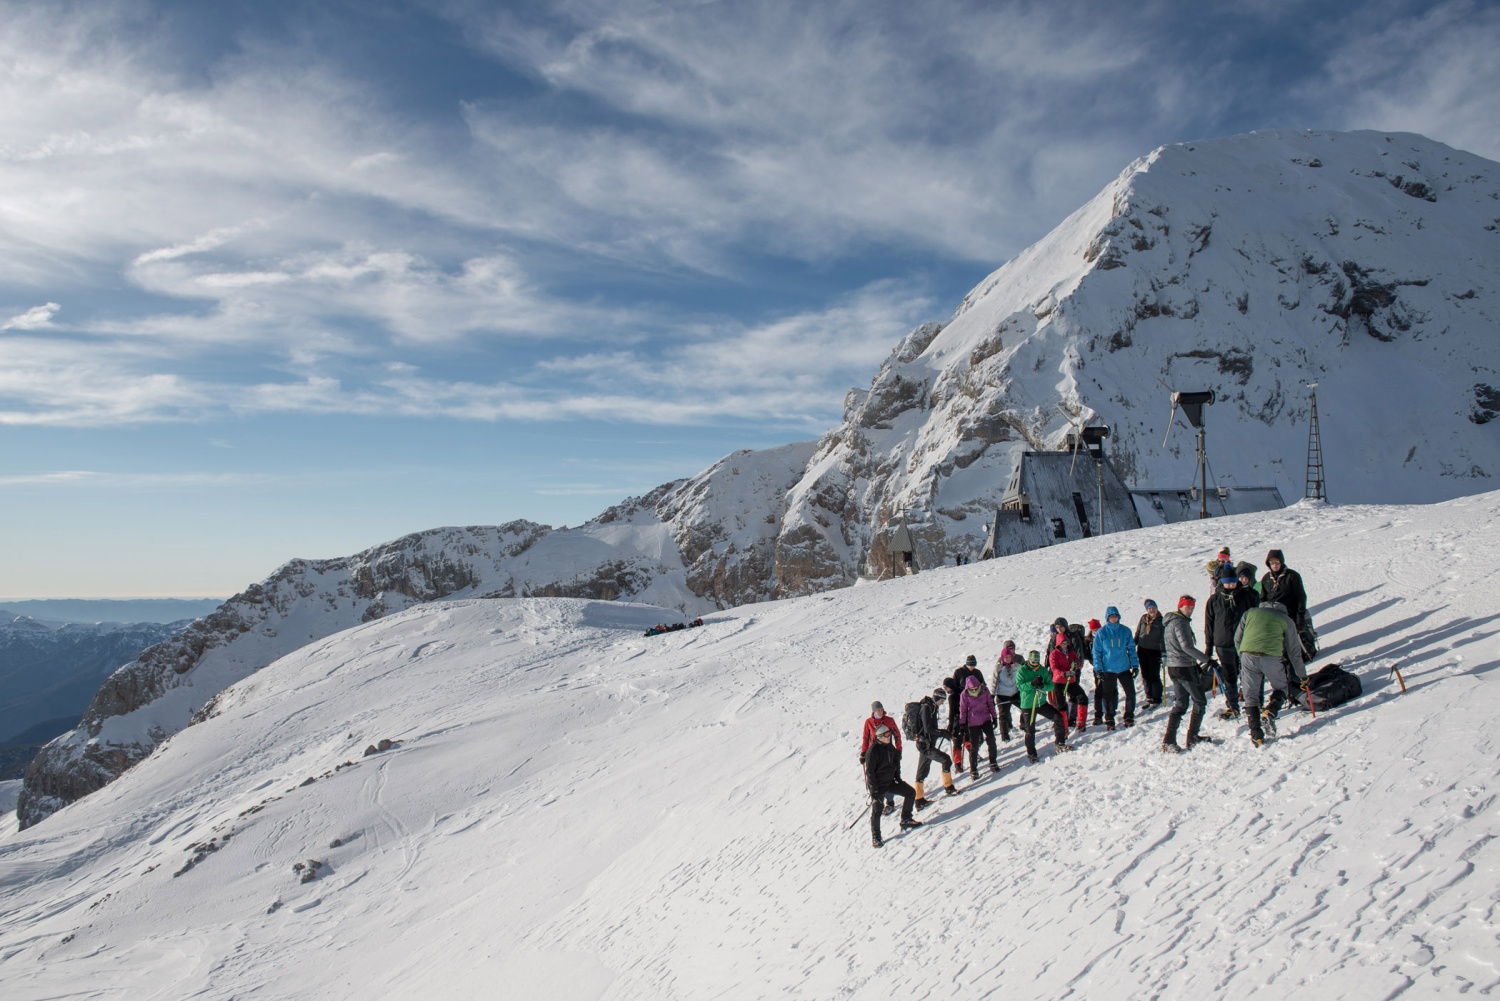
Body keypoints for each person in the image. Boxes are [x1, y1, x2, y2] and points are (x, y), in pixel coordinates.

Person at [1234, 599, 1307, 746]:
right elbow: (1294, 652)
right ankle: (1271, 711)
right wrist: (1302, 676)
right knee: (1282, 688)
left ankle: (1256, 735)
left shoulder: (1250, 613)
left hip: (1248, 655)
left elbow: (1237, 639)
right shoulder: (1286, 620)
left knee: (1251, 696)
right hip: (1271, 657)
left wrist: (1242, 656)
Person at [1162, 595, 1216, 753]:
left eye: (1192, 607)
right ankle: (1192, 738)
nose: (1190, 610)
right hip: (1184, 667)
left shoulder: (1170, 622)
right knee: (1199, 700)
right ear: (1180, 606)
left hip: (1174, 667)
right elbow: (1186, 647)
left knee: (1181, 703)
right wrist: (1207, 660)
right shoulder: (1180, 622)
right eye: (1188, 607)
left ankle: (1169, 740)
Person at [1203, 566, 1254, 720]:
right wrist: (1208, 646)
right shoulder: (1214, 600)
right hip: (1223, 643)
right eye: (1228, 582)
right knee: (1229, 675)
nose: (1231, 585)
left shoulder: (1246, 596)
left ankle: (1252, 703)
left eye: (1233, 582)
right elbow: (1209, 624)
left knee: (1248, 672)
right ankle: (1232, 706)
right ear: (1222, 582)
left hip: (1244, 641)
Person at [864, 724, 920, 848]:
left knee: (910, 792)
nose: (889, 737)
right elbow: (870, 773)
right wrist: (874, 792)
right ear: (879, 737)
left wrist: (898, 778)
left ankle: (906, 819)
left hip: (890, 782)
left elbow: (896, 763)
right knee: (877, 810)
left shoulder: (890, 747)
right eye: (886, 735)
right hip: (879, 786)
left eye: (889, 734)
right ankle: (876, 837)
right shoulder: (873, 751)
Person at [1017, 650, 1072, 762]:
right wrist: (1031, 684)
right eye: (1033, 662)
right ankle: (1032, 754)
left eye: (1036, 662)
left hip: (1041, 702)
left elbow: (1051, 685)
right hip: (1028, 704)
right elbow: (1020, 686)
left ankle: (1060, 743)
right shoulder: (1022, 670)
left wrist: (1043, 686)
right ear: (1029, 660)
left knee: (1058, 717)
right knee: (1030, 729)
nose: (1035, 664)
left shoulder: (1042, 670)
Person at [1092, 606, 1139, 728]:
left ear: (1119, 617)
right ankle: (1109, 718)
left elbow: (1131, 649)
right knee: (1108, 695)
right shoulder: (1102, 632)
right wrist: (1098, 669)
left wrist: (1135, 665)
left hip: (1124, 667)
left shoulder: (1125, 631)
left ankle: (1129, 715)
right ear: (1107, 618)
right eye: (1111, 616)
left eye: (1115, 616)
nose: (1114, 618)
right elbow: (1096, 652)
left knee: (1130, 693)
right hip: (1108, 669)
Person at [910, 692, 958, 807]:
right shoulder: (927, 708)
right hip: (925, 745)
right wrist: (942, 733)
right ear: (937, 698)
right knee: (946, 760)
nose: (942, 703)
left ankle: (919, 800)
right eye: (942, 700)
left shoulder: (931, 707)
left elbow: (929, 729)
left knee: (922, 771)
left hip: (925, 744)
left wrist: (942, 733)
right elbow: (928, 729)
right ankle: (949, 787)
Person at [1262, 549, 1313, 657]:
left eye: (1277, 562)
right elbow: (1263, 599)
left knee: (1294, 642)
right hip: (1274, 617)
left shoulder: (1292, 576)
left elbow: (1300, 597)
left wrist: (1300, 615)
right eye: (1272, 563)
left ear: (1281, 562)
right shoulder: (1266, 579)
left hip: (1290, 615)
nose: (1274, 565)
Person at [859, 701, 902, 814]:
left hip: (887, 752)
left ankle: (890, 802)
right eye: (878, 710)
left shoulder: (889, 720)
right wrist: (863, 753)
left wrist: (898, 750)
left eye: (882, 709)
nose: (881, 712)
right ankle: (877, 801)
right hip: (873, 754)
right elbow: (865, 738)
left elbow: (897, 735)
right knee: (874, 777)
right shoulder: (868, 722)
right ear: (873, 711)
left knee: (888, 776)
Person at [958, 672, 1000, 777]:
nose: (974, 690)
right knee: (974, 745)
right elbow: (963, 710)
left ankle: (993, 762)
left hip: (986, 719)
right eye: (972, 689)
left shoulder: (985, 690)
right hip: (973, 722)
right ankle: (973, 769)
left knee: (991, 740)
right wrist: (962, 724)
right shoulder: (964, 695)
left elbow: (990, 704)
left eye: (976, 688)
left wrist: (994, 717)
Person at [1049, 627, 1089, 732]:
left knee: (1082, 697)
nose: (1065, 645)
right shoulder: (1054, 654)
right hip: (1059, 682)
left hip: (1071, 680)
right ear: (1058, 644)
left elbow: (1079, 663)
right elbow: (1054, 669)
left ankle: (1081, 722)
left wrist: (1077, 665)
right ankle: (1064, 727)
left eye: (1066, 643)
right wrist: (1064, 673)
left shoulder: (1071, 652)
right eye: (1062, 643)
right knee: (1061, 705)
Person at [1135, 599, 1166, 707]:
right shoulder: (1143, 618)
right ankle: (1149, 696)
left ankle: (1157, 697)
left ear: (1156, 608)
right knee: (1145, 674)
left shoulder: (1161, 621)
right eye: (1149, 608)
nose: (1151, 610)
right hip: (1142, 649)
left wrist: (1164, 652)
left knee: (1154, 675)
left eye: (1153, 607)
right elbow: (1138, 632)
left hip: (1155, 650)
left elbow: (1163, 638)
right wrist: (1133, 645)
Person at [991, 642, 1023, 741]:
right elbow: (994, 680)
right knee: (1003, 715)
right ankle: (1004, 735)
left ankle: (1025, 725)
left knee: (1025, 708)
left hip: (1015, 693)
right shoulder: (999, 667)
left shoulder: (1016, 666)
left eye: (1009, 657)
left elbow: (1022, 677)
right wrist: (992, 694)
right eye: (1006, 657)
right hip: (1002, 694)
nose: (1008, 659)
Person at [1086, 618, 1104, 725]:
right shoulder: (1089, 640)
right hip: (1097, 667)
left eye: (1098, 629)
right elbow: (1087, 653)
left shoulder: (1105, 635)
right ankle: (1098, 714)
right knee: (1099, 689)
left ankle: (1110, 711)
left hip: (1109, 666)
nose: (1096, 631)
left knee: (1111, 690)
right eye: (1094, 630)